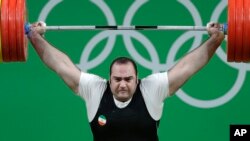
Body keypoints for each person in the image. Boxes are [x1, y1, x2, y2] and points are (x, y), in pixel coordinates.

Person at [27, 22, 225, 141]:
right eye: (117, 79)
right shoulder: (95, 89)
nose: (123, 84)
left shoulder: (151, 89)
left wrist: (215, 39)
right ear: (109, 79)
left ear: (137, 79)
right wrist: (34, 36)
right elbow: (60, 65)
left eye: (128, 79)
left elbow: (188, 67)